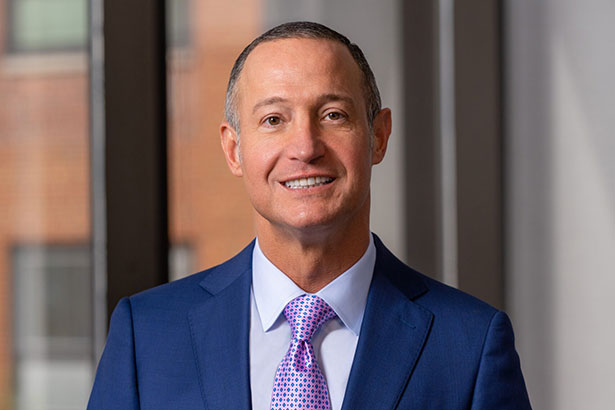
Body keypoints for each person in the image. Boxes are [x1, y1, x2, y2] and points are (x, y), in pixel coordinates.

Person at [87, 21, 531, 410]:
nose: (305, 146)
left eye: (333, 115)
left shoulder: (470, 346)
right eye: (274, 119)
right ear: (233, 148)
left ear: (378, 136)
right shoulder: (146, 336)